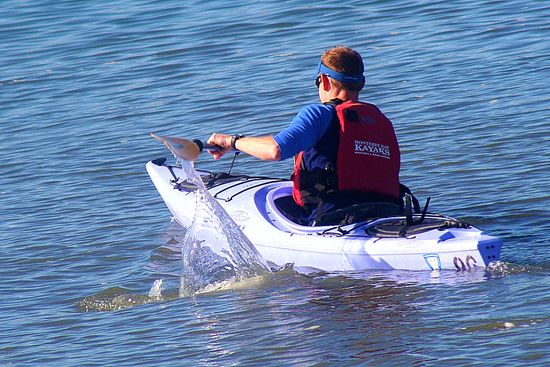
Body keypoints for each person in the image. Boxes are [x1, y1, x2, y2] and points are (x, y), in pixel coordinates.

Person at [207, 46, 402, 225]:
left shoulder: (320, 114)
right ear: (361, 83)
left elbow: (275, 150)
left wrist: (231, 141)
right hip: (388, 212)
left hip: (333, 217)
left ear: (324, 80)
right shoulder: (381, 121)